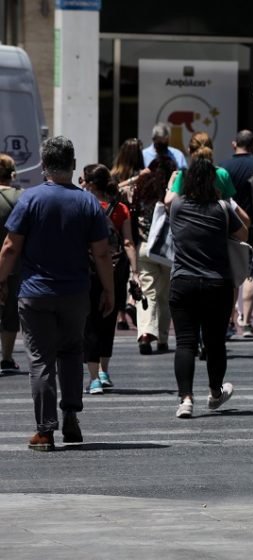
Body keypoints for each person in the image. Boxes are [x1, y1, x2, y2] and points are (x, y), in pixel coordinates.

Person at [0, 136, 113, 451]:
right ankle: (72, 417)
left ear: (44, 165)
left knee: (40, 359)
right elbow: (102, 254)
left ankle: (45, 430)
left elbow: (10, 248)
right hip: (76, 293)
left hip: (35, 292)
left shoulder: (31, 199)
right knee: (71, 353)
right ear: (73, 164)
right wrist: (109, 289)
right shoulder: (88, 202)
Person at [169, 157, 248, 419]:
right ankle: (215, 392)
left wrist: (172, 182)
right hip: (217, 282)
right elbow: (243, 234)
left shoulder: (178, 206)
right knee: (214, 343)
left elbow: (169, 197)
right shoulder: (222, 208)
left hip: (182, 281)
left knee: (185, 343)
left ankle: (185, 399)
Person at [79, 164, 140, 394]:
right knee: (108, 319)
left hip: (90, 269)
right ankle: (104, 371)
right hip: (117, 270)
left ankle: (94, 378)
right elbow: (128, 242)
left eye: (83, 179)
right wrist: (135, 273)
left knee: (90, 321)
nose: (81, 184)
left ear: (91, 184)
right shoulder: (121, 208)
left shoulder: (84, 206)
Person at [219, 130, 253, 338]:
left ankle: (229, 322)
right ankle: (246, 322)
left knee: (230, 275)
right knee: (251, 274)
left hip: (230, 225)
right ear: (252, 144)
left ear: (234, 144)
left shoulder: (224, 167)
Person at [132, 156, 177, 354]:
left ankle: (144, 333)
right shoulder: (170, 190)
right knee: (165, 295)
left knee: (148, 292)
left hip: (143, 246)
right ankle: (162, 339)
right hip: (166, 248)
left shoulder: (141, 188)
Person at [110, 137, 145, 331]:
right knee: (136, 269)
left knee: (119, 274)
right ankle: (131, 303)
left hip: (118, 222)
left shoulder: (114, 174)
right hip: (138, 225)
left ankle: (121, 315)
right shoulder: (142, 175)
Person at [0, 155, 23, 374]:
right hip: (13, 262)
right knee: (10, 312)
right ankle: (6, 358)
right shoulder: (21, 197)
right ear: (12, 173)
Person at [165, 132, 236, 203]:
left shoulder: (183, 176)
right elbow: (228, 203)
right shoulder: (222, 174)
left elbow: (168, 202)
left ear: (189, 150)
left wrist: (170, 183)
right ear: (211, 150)